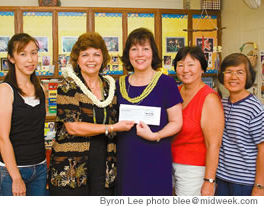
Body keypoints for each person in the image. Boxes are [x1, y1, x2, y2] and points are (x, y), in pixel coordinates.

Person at [48, 32, 134, 196]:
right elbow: (72, 127)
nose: (91, 59)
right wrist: (111, 127)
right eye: (85, 55)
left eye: (96, 54)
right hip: (71, 167)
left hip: (104, 164)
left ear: (103, 58)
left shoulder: (110, 87)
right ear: (77, 59)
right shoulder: (68, 86)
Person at [115, 27, 183, 196]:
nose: (140, 54)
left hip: (155, 157)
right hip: (126, 159)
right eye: (134, 49)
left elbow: (177, 122)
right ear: (128, 54)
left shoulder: (166, 83)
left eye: (145, 48)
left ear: (153, 53)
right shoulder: (118, 84)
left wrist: (156, 135)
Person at [0, 33, 47, 196]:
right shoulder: (5, 90)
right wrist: (16, 178)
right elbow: (3, 137)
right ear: (11, 58)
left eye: (33, 53)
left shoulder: (42, 89)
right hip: (12, 171)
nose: (30, 59)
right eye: (23, 54)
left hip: (39, 168)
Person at [171, 46, 224, 196]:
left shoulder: (209, 98)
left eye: (191, 64)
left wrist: (209, 181)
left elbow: (214, 144)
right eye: (180, 65)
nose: (185, 69)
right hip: (171, 165)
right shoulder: (177, 91)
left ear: (202, 68)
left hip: (195, 170)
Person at [216, 53, 264, 196]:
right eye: (228, 72)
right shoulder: (221, 103)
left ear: (248, 76)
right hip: (222, 179)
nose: (233, 77)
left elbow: (262, 149)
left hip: (245, 183)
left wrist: (260, 186)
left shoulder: (255, 108)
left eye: (240, 72)